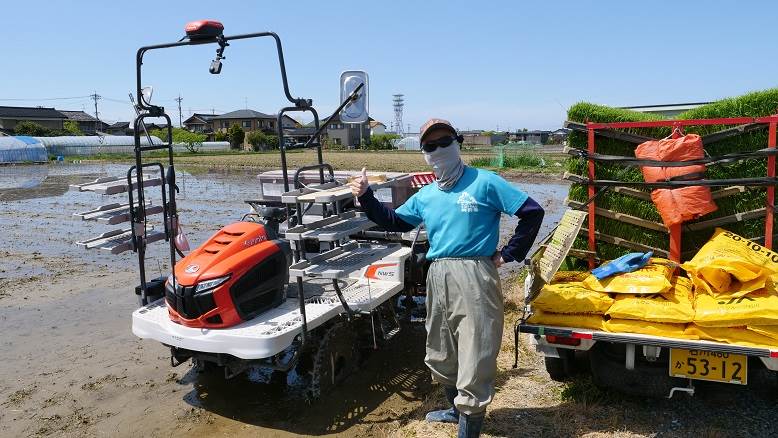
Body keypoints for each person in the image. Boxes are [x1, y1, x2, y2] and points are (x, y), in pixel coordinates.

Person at [349, 118, 544, 437]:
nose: (438, 150)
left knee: (475, 351)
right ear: (423, 152)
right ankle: (455, 411)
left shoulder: (485, 182)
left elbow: (532, 212)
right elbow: (394, 222)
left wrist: (508, 253)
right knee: (441, 351)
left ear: (457, 144)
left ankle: (469, 424)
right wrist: (366, 196)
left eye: (445, 143)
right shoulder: (426, 195)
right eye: (430, 146)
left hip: (474, 274)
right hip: (437, 274)